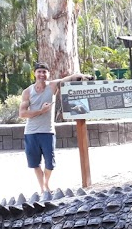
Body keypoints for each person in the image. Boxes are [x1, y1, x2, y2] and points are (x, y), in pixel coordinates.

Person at [19, 62, 90, 195]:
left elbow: (71, 77)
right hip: (31, 132)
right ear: (34, 73)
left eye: (44, 72)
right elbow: (22, 114)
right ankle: (43, 188)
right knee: (35, 163)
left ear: (48, 74)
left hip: (48, 131)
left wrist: (85, 76)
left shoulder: (52, 86)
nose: (41, 74)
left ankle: (46, 183)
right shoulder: (27, 92)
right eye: (39, 71)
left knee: (50, 164)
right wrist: (41, 110)